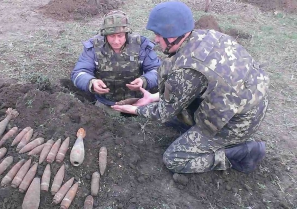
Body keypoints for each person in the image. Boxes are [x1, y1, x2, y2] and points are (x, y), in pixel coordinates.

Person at [112, 1, 270, 174]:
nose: (156, 39)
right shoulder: (204, 36)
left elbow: (163, 112)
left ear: (172, 36)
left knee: (174, 160)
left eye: (158, 34)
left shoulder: (187, 71)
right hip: (246, 102)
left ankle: (243, 153)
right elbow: (190, 88)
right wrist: (153, 97)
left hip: (236, 122)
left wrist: (135, 110)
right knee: (178, 116)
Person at [71, 10, 161, 115]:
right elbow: (78, 73)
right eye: (111, 36)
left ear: (127, 34)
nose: (116, 41)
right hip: (106, 103)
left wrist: (144, 80)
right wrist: (91, 82)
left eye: (120, 36)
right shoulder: (93, 47)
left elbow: (158, 70)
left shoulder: (141, 45)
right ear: (105, 35)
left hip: (138, 102)